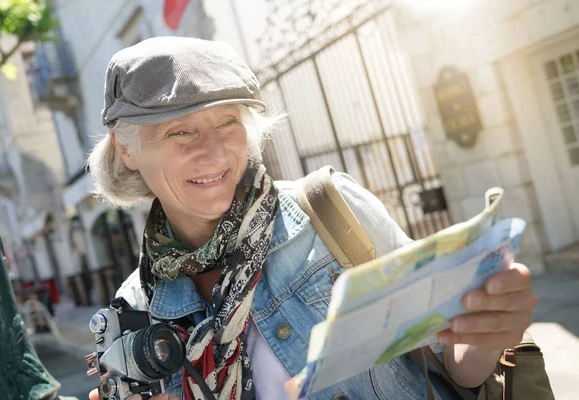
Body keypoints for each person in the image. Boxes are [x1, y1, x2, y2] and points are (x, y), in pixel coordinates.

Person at [87, 36, 536, 400]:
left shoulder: (328, 209)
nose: (212, 152)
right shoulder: (136, 310)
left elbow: (454, 366)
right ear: (126, 148)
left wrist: (488, 330)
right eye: (180, 131)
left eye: (227, 123)